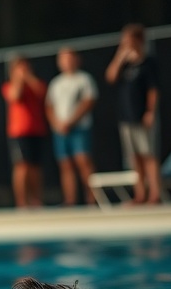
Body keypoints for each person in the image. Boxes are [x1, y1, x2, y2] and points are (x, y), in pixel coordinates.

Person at [106, 24, 162, 204]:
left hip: (142, 115)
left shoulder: (148, 63)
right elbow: (110, 77)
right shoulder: (125, 64)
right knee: (134, 157)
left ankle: (155, 194)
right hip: (126, 117)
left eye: (128, 39)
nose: (125, 43)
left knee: (148, 155)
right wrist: (120, 57)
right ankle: (140, 195)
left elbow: (153, 90)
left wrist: (150, 112)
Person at [46, 47, 99, 206]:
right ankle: (70, 200)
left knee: (83, 161)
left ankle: (92, 200)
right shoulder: (56, 83)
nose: (66, 62)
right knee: (65, 164)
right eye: (63, 59)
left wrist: (71, 121)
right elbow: (49, 106)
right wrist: (56, 123)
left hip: (79, 128)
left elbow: (88, 101)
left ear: (77, 60)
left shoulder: (84, 79)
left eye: (69, 58)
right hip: (60, 130)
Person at [2, 55, 48, 208]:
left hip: (36, 131)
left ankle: (36, 200)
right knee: (22, 166)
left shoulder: (35, 83)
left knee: (35, 167)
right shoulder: (8, 86)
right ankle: (22, 203)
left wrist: (28, 77)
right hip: (18, 132)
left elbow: (42, 93)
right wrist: (19, 79)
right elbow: (15, 96)